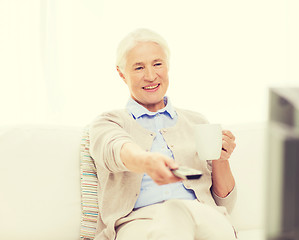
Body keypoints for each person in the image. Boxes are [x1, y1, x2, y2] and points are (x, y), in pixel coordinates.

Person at [89, 28, 238, 240]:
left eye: (157, 64)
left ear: (167, 66)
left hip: (202, 213)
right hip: (139, 222)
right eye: (139, 67)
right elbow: (115, 148)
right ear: (122, 73)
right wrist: (146, 161)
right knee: (172, 217)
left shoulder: (197, 122)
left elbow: (224, 203)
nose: (150, 76)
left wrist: (221, 159)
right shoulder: (109, 122)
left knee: (197, 219)